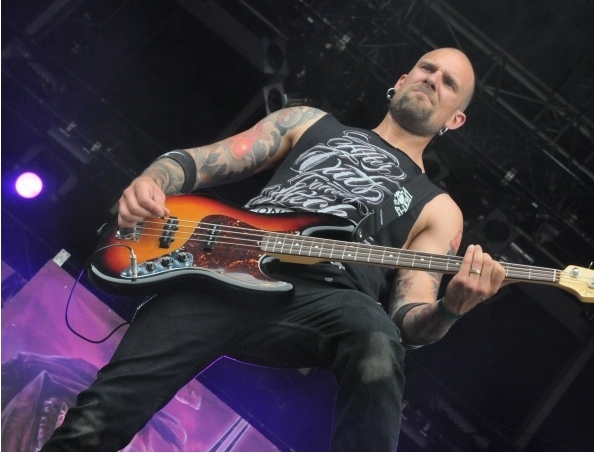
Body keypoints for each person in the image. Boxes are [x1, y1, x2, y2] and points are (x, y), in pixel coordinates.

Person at [41, 47, 506, 452]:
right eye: (427, 68)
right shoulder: (307, 122)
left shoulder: (440, 209)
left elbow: (409, 318)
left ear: (455, 119)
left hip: (327, 299)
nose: (433, 80)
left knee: (378, 338)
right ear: (402, 80)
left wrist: (449, 309)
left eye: (449, 83)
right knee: (98, 418)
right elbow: (205, 161)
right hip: (219, 266)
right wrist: (151, 181)